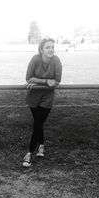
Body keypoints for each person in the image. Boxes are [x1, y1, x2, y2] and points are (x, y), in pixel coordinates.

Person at [23, 37, 62, 167]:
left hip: (47, 97)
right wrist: (45, 81)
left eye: (52, 47)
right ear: (41, 49)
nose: (51, 49)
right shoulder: (35, 59)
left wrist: (37, 80)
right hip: (34, 95)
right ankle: (42, 145)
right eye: (47, 47)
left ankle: (29, 153)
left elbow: (57, 81)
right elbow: (28, 78)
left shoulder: (56, 60)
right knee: (38, 124)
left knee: (38, 124)